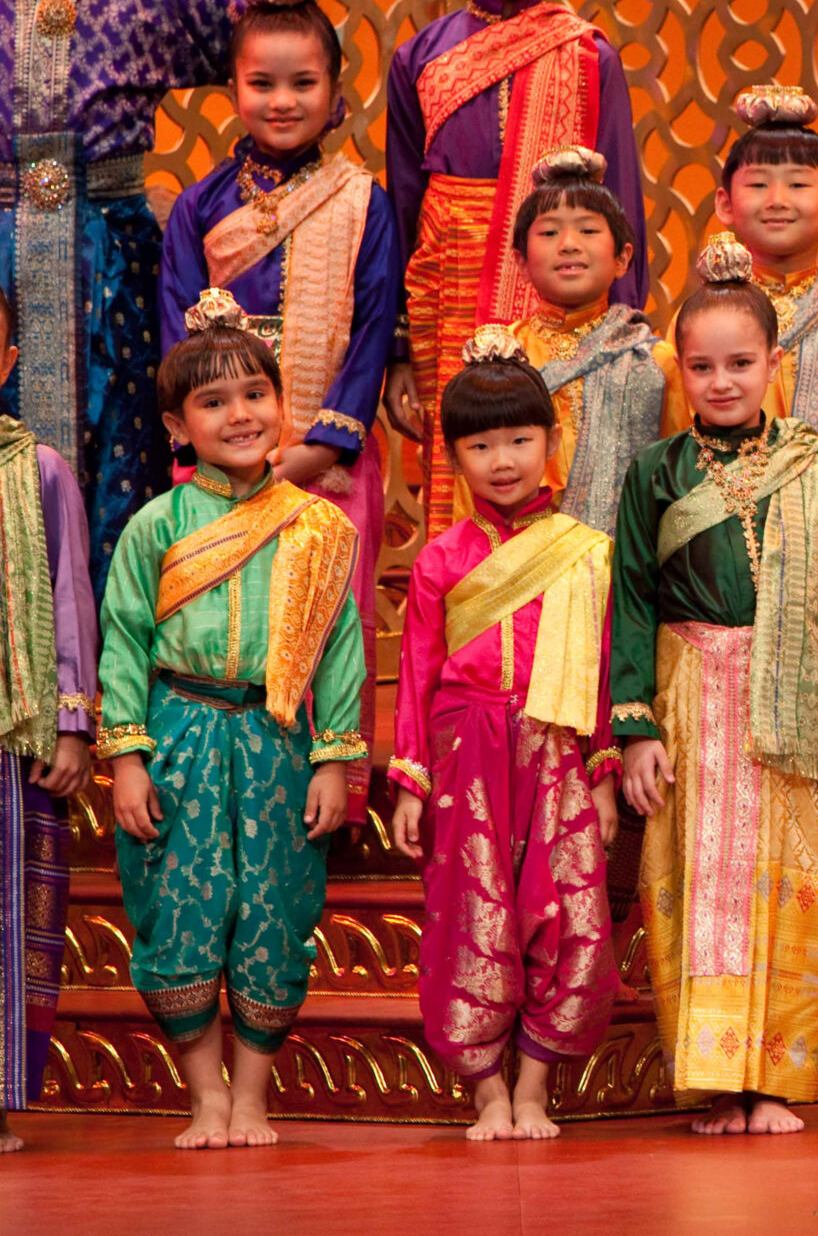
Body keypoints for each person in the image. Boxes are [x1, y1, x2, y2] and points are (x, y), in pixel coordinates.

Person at [613, 236, 818, 1136]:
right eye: (701, 367)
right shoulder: (655, 472)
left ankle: (776, 1082)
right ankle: (716, 1082)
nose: (721, 383)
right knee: (699, 880)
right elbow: (631, 600)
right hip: (690, 698)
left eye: (741, 364)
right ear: (678, 371)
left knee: (790, 879)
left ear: (775, 362)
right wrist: (636, 728)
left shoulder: (814, 465)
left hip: (791, 705)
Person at [96, 289, 364, 1148]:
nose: (240, 415)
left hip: (277, 739)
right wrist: (127, 757)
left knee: (275, 915)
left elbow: (340, 648)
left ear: (283, 404)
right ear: (178, 426)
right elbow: (123, 642)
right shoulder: (156, 525)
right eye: (214, 402)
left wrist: (333, 758)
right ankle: (204, 1098)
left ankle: (251, 1098)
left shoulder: (317, 528)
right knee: (179, 909)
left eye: (256, 394)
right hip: (178, 734)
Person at [0, 0, 236, 586]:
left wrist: (222, 211)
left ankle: (118, 671)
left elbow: (283, 72)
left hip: (122, 276)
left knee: (126, 492)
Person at [159, 0, 399, 795]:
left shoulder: (364, 201)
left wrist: (314, 452)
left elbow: (373, 331)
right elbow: (178, 340)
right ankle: (224, 790)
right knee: (228, 634)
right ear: (233, 88)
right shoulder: (199, 207)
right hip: (217, 471)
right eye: (262, 83)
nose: (283, 101)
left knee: (328, 628)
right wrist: (222, 454)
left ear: (336, 93)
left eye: (303, 83)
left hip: (328, 466)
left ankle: (328, 799)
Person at [383, 0, 647, 534]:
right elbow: (405, 206)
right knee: (464, 480)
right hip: (448, 296)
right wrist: (399, 350)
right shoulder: (419, 58)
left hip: (566, 301)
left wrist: (623, 331)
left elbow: (618, 203)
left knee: (567, 473)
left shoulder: (591, 57)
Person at [388, 332, 618, 1141]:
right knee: (470, 915)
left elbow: (600, 673)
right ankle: (488, 1092)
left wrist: (602, 775)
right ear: (452, 456)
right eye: (480, 445)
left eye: (519, 439)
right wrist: (410, 782)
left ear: (551, 441)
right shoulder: (439, 560)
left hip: (556, 752)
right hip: (467, 756)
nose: (503, 460)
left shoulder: (585, 554)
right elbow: (417, 674)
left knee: (567, 910)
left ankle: (534, 1088)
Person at [0, 286, 96, 1154]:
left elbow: (69, 596)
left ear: (6, 362)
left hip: (11, 739)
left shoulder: (39, 470)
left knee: (7, 917)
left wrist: (72, 720)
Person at [700, 84, 818, 483]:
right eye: (758, 185)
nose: (777, 199)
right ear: (725, 203)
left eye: (798, 185)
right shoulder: (703, 317)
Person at [501, 145, 683, 531]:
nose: (569, 243)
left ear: (622, 258)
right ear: (521, 261)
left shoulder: (655, 363)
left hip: (628, 559)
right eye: (549, 232)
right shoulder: (503, 361)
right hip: (521, 558)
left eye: (588, 230)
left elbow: (680, 479)